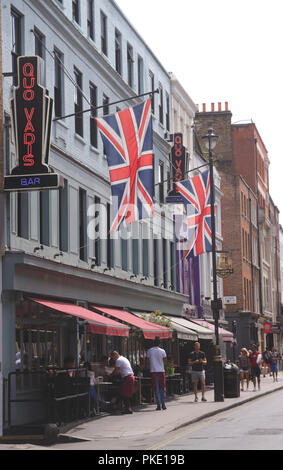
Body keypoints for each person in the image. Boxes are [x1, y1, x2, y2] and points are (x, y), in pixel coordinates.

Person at [146, 337, 167, 411]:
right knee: (163, 388)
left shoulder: (149, 351)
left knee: (156, 388)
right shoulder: (162, 351)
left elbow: (148, 362)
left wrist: (149, 367)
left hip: (153, 371)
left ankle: (158, 405)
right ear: (159, 343)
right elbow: (164, 361)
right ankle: (163, 404)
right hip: (161, 371)